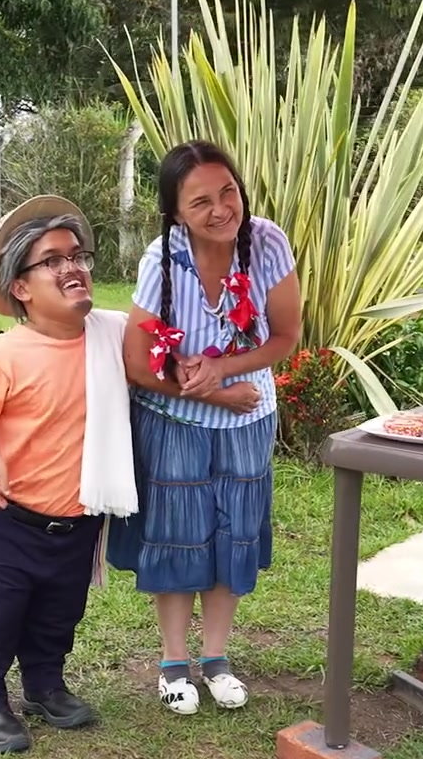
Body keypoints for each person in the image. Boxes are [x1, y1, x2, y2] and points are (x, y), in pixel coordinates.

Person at [108, 141, 301, 715]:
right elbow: (140, 364)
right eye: (201, 202)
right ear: (175, 213)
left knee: (231, 535)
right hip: (176, 422)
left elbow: (285, 337)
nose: (221, 208)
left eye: (228, 192)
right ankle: (173, 662)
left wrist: (223, 366)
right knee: (178, 536)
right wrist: (212, 390)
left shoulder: (266, 241)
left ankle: (215, 658)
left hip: (248, 419)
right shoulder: (161, 259)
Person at [0, 195, 137, 754]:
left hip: (74, 524)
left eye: (76, 255)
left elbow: (161, 351)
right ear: (21, 288)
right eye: (51, 260)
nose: (71, 267)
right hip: (4, 525)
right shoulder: (4, 353)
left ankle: (45, 686)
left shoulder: (111, 338)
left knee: (58, 615)